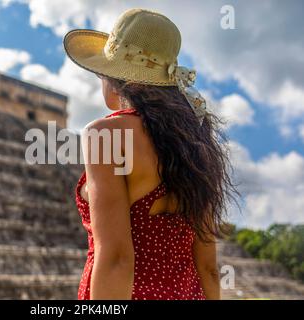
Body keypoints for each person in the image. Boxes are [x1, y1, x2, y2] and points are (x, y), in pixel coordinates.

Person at [63, 8, 240, 300]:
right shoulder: (200, 145)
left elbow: (118, 259)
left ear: (115, 78)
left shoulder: (107, 135)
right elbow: (208, 267)